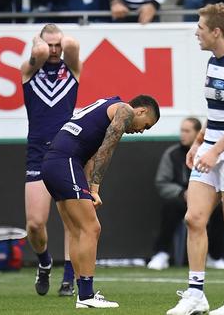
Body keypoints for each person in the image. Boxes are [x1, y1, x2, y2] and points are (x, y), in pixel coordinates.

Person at [167, 3, 224, 315]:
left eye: (201, 28)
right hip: (211, 148)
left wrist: (215, 150)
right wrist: (198, 142)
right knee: (194, 218)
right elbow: (218, 114)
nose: (196, 32)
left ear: (216, 31)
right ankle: (196, 295)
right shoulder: (212, 61)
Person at [42, 94, 161, 308]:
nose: (141, 130)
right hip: (64, 162)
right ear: (141, 111)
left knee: (78, 231)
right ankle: (86, 296)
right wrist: (95, 188)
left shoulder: (106, 107)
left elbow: (89, 154)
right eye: (146, 126)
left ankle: (83, 294)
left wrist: (86, 187)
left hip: (55, 163)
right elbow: (108, 147)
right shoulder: (124, 110)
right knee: (91, 228)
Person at [21, 23, 82, 297]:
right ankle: (44, 262)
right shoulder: (28, 71)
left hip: (66, 150)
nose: (55, 50)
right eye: (50, 45)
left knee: (71, 219)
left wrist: (52, 41)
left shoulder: (72, 69)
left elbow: (72, 46)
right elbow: (41, 51)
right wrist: (40, 44)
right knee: (35, 224)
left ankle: (69, 277)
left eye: (58, 44)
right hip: (37, 152)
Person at [147, 117, 224, 271]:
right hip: (182, 199)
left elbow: (220, 178)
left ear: (198, 133)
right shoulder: (171, 154)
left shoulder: (210, 154)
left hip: (207, 199)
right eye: (181, 131)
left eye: (187, 131)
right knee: (170, 206)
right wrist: (181, 193)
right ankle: (162, 253)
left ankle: (215, 256)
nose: (182, 134)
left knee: (220, 210)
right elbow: (162, 182)